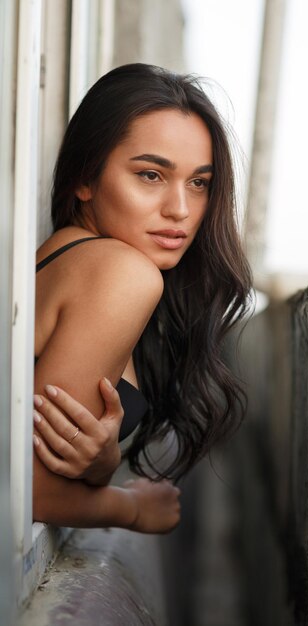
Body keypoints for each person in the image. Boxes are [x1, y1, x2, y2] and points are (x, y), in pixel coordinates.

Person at [33, 63, 252, 533]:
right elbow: (33, 491)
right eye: (151, 175)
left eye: (199, 183)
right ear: (84, 178)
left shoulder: (61, 256)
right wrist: (132, 508)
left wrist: (101, 461)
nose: (180, 210)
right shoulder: (124, 273)